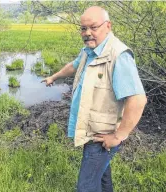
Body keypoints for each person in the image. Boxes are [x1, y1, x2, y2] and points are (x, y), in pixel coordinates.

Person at [41, 6, 147, 192]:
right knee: (102, 177)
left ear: (108, 26)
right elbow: (72, 66)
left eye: (93, 27)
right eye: (83, 28)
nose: (87, 33)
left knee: (86, 187)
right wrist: (54, 77)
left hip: (100, 138)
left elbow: (138, 100)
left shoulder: (118, 56)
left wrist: (118, 136)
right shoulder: (89, 51)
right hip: (92, 133)